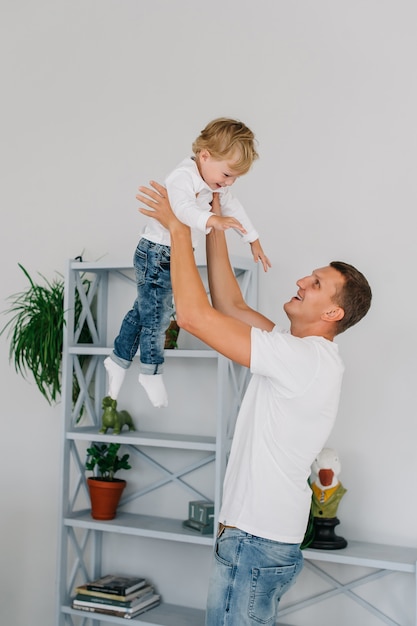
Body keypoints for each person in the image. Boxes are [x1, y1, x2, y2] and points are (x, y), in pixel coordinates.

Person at [136, 180, 372, 625]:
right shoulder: (298, 352)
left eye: (316, 283)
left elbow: (193, 315)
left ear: (332, 313)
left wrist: (179, 228)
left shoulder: (302, 359)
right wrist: (212, 218)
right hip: (261, 542)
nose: (301, 280)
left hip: (254, 543)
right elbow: (228, 303)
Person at [104, 118, 270, 409]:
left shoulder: (212, 180)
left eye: (235, 179)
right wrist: (212, 220)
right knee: (159, 316)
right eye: (227, 174)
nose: (228, 183)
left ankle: (117, 361)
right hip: (156, 252)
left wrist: (252, 238)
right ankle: (150, 371)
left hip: (173, 254)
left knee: (144, 312)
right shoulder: (183, 176)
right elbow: (181, 210)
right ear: (205, 156)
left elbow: (234, 207)